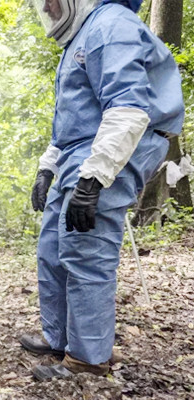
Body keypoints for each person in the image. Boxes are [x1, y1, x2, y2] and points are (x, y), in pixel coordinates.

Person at [22, 0, 185, 380]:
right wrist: (48, 167)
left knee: (86, 247)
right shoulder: (81, 35)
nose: (47, 4)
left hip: (115, 148)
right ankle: (61, 338)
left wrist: (94, 179)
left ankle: (87, 359)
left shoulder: (111, 24)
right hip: (81, 151)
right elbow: (73, 116)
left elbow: (127, 108)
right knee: (52, 247)